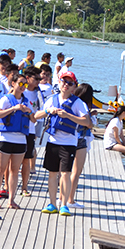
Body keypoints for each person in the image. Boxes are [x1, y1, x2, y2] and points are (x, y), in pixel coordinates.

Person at [34, 70, 92, 217]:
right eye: (63, 81)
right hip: (53, 141)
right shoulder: (51, 99)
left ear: (74, 87)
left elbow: (88, 123)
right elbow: (35, 116)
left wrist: (68, 115)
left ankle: (64, 205)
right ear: (59, 82)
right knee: (52, 174)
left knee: (65, 174)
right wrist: (48, 111)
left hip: (69, 142)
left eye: (70, 83)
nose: (66, 85)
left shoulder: (78, 103)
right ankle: (52, 203)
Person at [0, 72, 34, 210]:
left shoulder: (27, 101)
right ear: (13, 84)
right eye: (20, 83)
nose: (23, 86)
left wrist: (28, 111)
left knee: (14, 170)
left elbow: (34, 119)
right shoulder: (6, 99)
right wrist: (13, 108)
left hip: (20, 139)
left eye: (25, 84)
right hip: (5, 137)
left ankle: (11, 200)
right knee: (0, 169)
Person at [69, 83, 97, 209]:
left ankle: (62, 198)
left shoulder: (72, 102)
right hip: (81, 139)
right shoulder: (84, 105)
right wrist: (92, 115)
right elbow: (89, 124)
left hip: (68, 138)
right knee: (76, 171)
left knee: (65, 171)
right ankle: (70, 199)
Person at [19, 66, 44, 195]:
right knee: (14, 160)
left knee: (27, 159)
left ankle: (24, 187)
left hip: (31, 129)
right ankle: (7, 185)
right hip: (17, 128)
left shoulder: (38, 93)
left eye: (40, 79)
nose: (39, 81)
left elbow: (41, 110)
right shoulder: (21, 90)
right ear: (27, 78)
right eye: (36, 79)